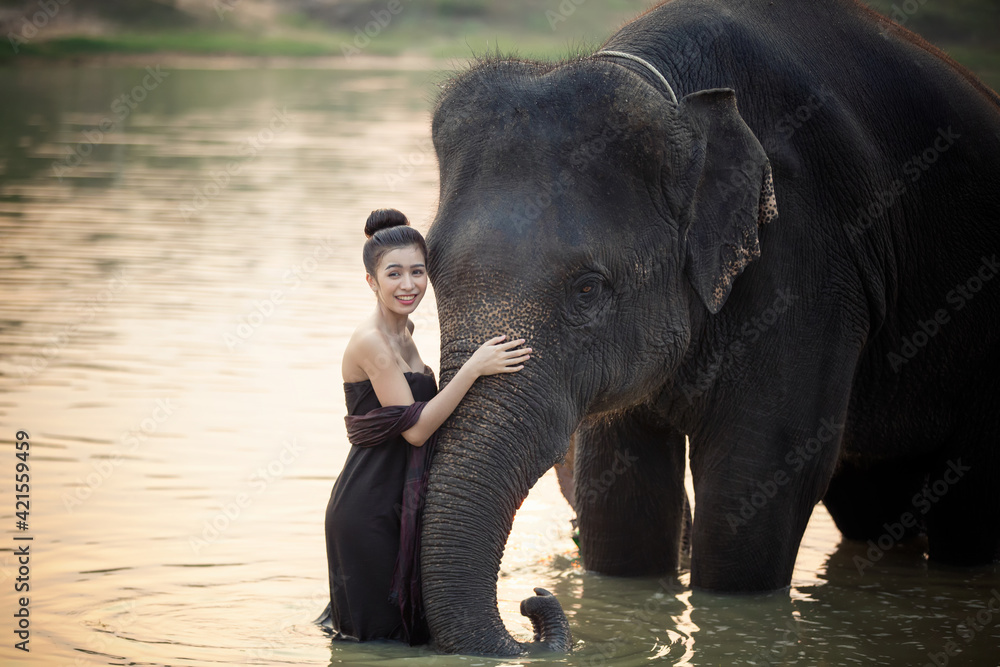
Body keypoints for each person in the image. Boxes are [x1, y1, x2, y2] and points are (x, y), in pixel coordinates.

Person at [319, 208, 531, 644]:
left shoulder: (405, 331)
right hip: (368, 509)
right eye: (393, 274)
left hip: (403, 504)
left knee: (407, 638)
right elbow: (415, 430)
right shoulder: (371, 343)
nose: (409, 284)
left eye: (418, 271)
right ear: (371, 281)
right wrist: (473, 368)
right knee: (377, 643)